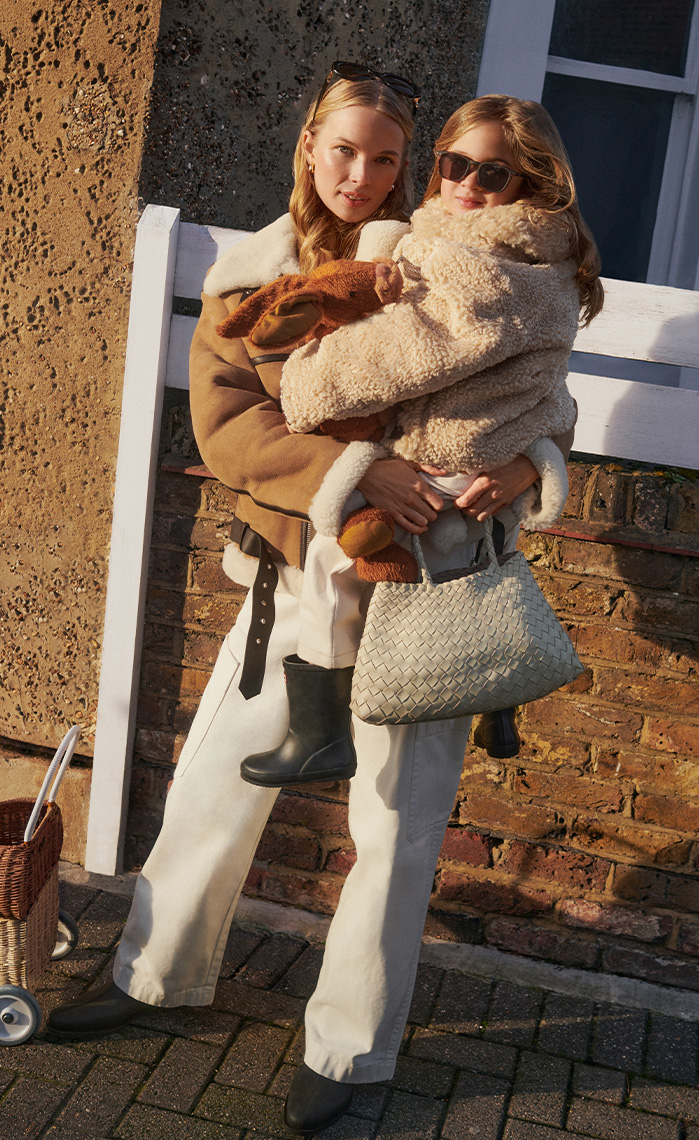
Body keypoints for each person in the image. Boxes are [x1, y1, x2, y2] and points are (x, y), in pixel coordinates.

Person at [47, 66, 589, 1137]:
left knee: (395, 825)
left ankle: (352, 1046)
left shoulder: (461, 257)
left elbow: (546, 404)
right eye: (347, 151)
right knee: (212, 787)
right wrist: (355, 476)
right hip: (291, 578)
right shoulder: (256, 268)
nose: (364, 174)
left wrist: (525, 471)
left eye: (388, 157)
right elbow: (228, 426)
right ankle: (152, 973)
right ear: (309, 148)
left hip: (430, 586)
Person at [235, 94, 602, 790]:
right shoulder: (524, 259)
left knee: (340, 570)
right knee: (462, 592)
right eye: (453, 163)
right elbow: (550, 394)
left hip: (440, 476)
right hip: (456, 474)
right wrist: (532, 453)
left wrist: (308, 377)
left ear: (531, 180)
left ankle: (320, 738)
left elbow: (342, 382)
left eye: (491, 173)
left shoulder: (473, 272)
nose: (466, 184)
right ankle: (497, 697)